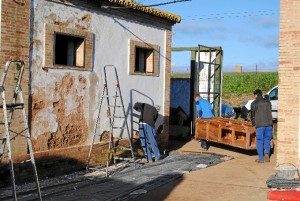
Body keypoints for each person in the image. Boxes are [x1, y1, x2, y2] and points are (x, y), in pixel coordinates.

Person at [251, 89, 273, 163]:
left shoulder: (254, 103)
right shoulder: (268, 102)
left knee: (259, 141)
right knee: (267, 139)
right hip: (269, 124)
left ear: (255, 95)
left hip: (260, 125)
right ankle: (266, 153)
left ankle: (261, 159)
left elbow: (253, 116)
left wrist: (254, 124)